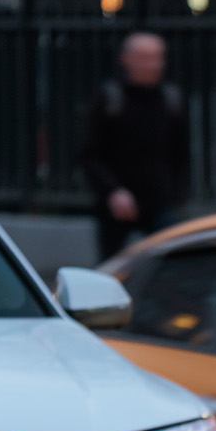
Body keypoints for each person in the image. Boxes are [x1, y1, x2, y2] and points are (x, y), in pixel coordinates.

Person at [79, 31, 191, 260]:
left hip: (159, 201)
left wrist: (175, 192)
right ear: (126, 59)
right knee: (112, 267)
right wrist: (112, 191)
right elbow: (89, 154)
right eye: (144, 58)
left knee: (168, 264)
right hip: (116, 204)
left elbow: (180, 152)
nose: (153, 65)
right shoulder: (110, 98)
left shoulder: (170, 98)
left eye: (157, 57)